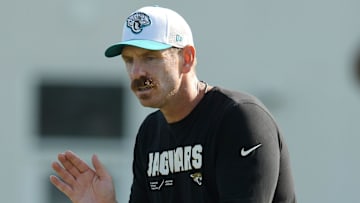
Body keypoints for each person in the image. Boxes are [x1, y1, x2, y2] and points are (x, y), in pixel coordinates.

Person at [50, 6, 296, 203]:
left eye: (150, 58)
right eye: (129, 60)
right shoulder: (150, 133)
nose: (137, 72)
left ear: (186, 59)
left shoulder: (240, 119)